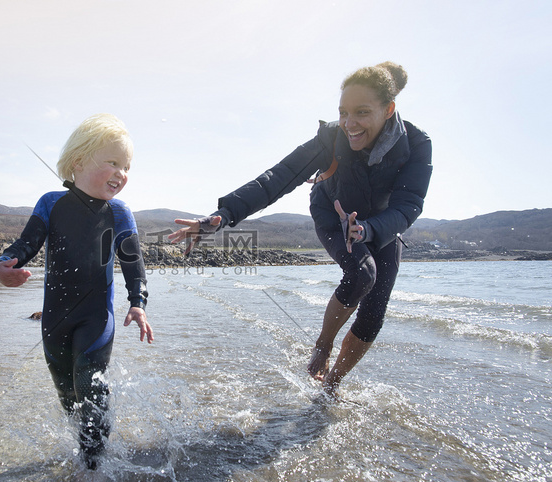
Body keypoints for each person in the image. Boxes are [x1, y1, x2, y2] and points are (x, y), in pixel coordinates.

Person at [169, 62, 432, 397]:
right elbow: (275, 180)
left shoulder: (417, 144)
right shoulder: (331, 140)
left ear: (389, 109)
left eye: (362, 113)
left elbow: (409, 204)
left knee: (374, 312)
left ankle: (331, 387)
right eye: (343, 113)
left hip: (381, 226)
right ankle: (323, 346)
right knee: (362, 274)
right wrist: (223, 214)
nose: (349, 124)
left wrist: (368, 230)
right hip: (332, 212)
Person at [0, 113, 153, 469]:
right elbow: (26, 244)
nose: (121, 173)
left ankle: (93, 472)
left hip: (96, 318)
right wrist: (0, 267)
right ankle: (88, 452)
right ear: (79, 162)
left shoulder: (120, 214)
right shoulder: (51, 203)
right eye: (112, 162)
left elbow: (132, 264)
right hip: (54, 322)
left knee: (90, 383)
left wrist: (138, 304)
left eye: (126, 166)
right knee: (68, 396)